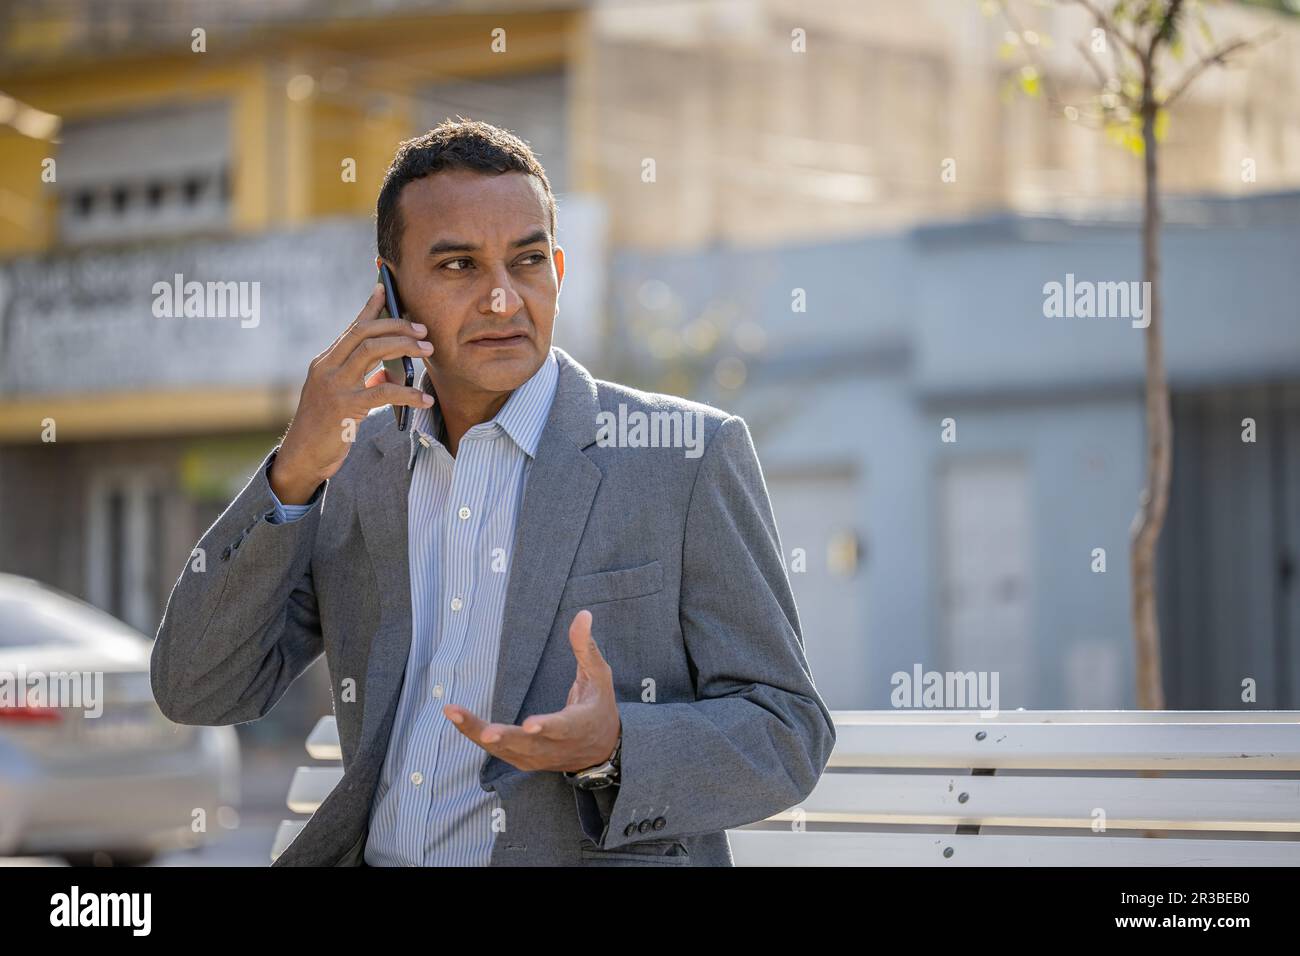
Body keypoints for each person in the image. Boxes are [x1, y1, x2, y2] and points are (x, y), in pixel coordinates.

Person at [150, 118, 835, 866]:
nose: (504, 299)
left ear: (558, 271)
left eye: (527, 261)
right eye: (458, 267)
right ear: (390, 290)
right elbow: (197, 689)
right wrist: (293, 472)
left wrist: (613, 748)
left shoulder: (686, 459)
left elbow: (788, 731)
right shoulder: (353, 473)